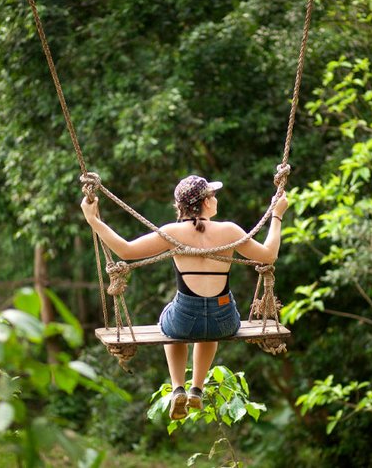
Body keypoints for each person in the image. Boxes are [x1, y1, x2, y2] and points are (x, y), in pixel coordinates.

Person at [81, 175, 288, 419]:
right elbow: (269, 255)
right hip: (224, 322)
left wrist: (93, 220)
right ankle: (196, 390)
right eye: (213, 195)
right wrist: (277, 215)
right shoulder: (230, 230)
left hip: (183, 320)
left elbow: (126, 251)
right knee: (209, 330)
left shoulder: (171, 232)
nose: (216, 198)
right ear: (206, 203)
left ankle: (178, 386)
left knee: (168, 325)